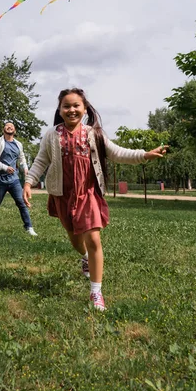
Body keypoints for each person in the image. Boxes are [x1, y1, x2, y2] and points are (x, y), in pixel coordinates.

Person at [23, 88, 167, 310]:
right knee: (75, 240)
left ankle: (95, 293)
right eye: (66, 106)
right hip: (63, 195)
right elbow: (41, 161)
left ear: (85, 108)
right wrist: (28, 182)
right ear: (60, 110)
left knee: (93, 239)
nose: (71, 110)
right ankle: (85, 258)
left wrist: (144, 154)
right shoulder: (52, 135)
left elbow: (117, 152)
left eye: (76, 105)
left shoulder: (94, 134)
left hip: (88, 193)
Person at [0, 121, 38, 236]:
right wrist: (4, 167)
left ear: (15, 131)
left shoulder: (18, 144)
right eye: (7, 125)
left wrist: (25, 168)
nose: (9, 127)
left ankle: (29, 227)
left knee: (21, 202)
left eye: (12, 126)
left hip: (14, 180)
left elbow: (22, 157)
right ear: (3, 130)